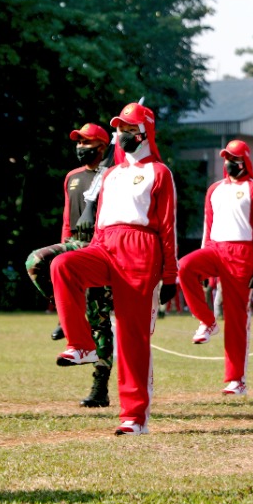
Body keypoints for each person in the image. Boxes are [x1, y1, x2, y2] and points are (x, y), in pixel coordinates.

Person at [51, 102, 178, 436]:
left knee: (131, 337)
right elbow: (101, 222)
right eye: (119, 129)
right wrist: (92, 248)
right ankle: (82, 345)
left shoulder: (159, 173)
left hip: (141, 250)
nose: (121, 135)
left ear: (143, 133)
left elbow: (167, 228)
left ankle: (134, 416)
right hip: (104, 245)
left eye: (128, 129)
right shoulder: (111, 175)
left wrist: (170, 275)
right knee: (63, 265)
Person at [25, 122, 116, 408]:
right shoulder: (72, 177)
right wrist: (64, 241)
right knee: (37, 261)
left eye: (86, 143)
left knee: (100, 323)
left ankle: (100, 387)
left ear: (102, 147)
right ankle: (67, 315)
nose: (80, 148)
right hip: (75, 243)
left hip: (101, 248)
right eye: (78, 143)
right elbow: (67, 218)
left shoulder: (114, 177)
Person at [178, 139, 253, 396]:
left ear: (245, 161)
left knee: (237, 318)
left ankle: (236, 379)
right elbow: (207, 226)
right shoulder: (214, 189)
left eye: (235, 159)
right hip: (216, 249)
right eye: (226, 158)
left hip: (243, 254)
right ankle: (207, 321)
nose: (230, 163)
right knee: (185, 266)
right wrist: (206, 262)